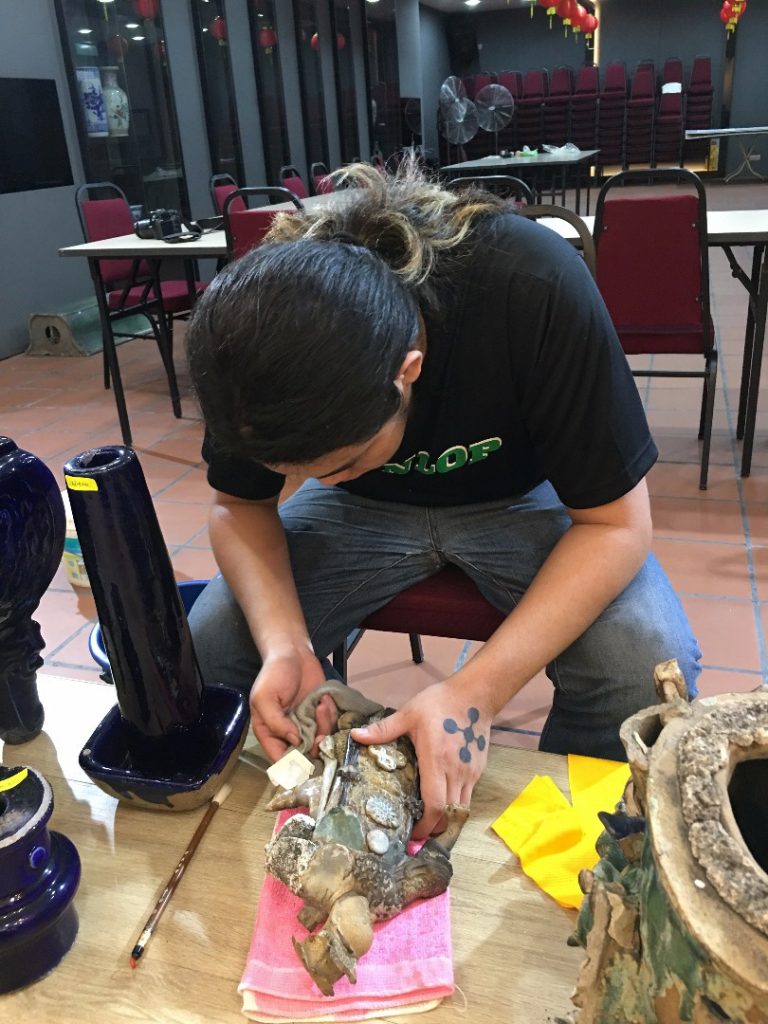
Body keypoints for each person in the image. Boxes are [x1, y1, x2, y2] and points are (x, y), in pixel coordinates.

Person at [185, 163, 701, 839]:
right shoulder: (258, 335)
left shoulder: (532, 283)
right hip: (362, 512)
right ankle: (305, 831)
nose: (318, 480)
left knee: (641, 659)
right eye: (296, 474)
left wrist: (473, 695)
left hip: (519, 496)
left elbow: (617, 525)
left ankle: (577, 845)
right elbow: (239, 506)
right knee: (215, 642)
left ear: (409, 372)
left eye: (338, 463)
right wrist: (285, 645)